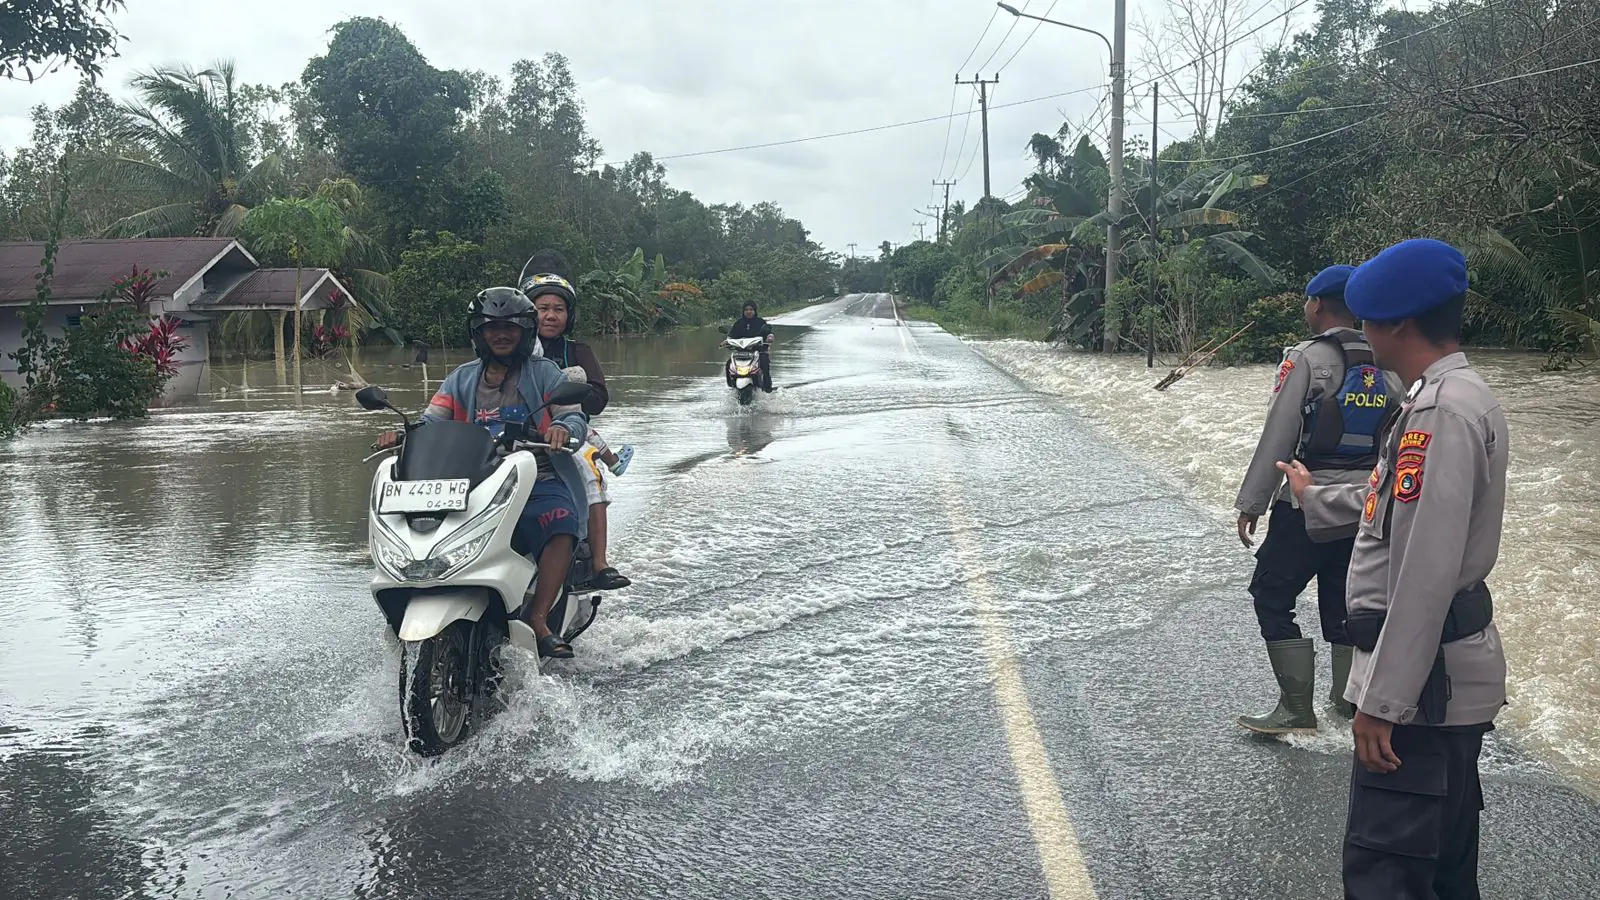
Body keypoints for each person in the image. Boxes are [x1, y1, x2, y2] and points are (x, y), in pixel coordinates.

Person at [1278, 238, 1508, 899]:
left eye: (1367, 320)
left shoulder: (1439, 411)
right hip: (1438, 684)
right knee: (1442, 874)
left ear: (1398, 323)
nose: (1361, 335)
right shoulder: (1453, 395)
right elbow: (1397, 508)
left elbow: (1426, 570)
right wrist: (1315, 497)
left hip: (1422, 697)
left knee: (1388, 876)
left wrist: (1382, 704)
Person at [376, 286, 590, 660]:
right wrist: (402, 434)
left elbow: (573, 415)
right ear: (479, 334)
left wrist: (564, 429)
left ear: (525, 332)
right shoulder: (461, 378)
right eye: (492, 328)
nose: (501, 335)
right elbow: (430, 422)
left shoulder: (546, 373)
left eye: (510, 327)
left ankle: (539, 619)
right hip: (467, 479)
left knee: (561, 524)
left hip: (534, 475)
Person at [1235, 265, 1403, 735]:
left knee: (1270, 595)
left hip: (1304, 505)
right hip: (1363, 505)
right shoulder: (1390, 360)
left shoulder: (1306, 358)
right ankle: (1349, 705)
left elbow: (1280, 432)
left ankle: (1295, 709)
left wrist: (1252, 501)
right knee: (1345, 601)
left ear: (1316, 304)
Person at [520, 250, 633, 591]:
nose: (550, 316)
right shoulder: (514, 349)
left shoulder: (578, 351)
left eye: (558, 309)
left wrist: (575, 387)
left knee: (590, 473)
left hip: (570, 435)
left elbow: (598, 399)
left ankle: (598, 563)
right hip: (516, 434)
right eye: (542, 308)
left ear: (569, 315)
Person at [727, 301, 775, 392]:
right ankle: (731, 386)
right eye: (746, 310)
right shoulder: (739, 323)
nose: (748, 312)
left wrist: (770, 337)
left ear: (755, 311)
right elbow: (731, 335)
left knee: (764, 362)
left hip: (758, 351)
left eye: (751, 309)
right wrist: (727, 341)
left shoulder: (760, 322)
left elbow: (768, 333)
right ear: (743, 311)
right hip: (741, 352)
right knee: (728, 363)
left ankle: (767, 387)